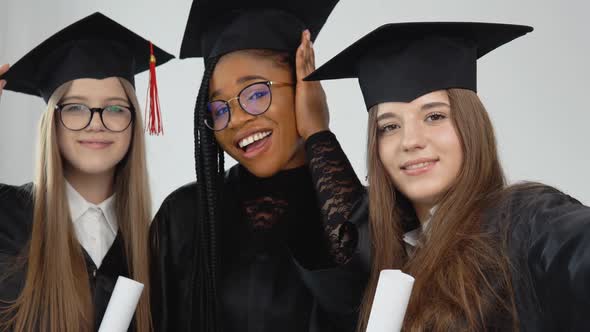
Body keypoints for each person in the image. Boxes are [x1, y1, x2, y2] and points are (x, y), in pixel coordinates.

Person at [306, 22, 590, 331]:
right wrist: (315, 133)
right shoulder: (396, 259)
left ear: (471, 125)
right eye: (389, 126)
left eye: (435, 116)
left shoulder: (524, 221)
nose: (410, 140)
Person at [150, 1, 369, 331]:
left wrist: (318, 133)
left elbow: (359, 290)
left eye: (254, 94)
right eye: (219, 109)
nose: (235, 120)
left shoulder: (362, 214)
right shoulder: (185, 217)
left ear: (302, 86)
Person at [0, 12, 173, 332]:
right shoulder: (5, 217)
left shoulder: (158, 245)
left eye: (116, 109)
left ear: (134, 123)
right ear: (52, 122)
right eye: (76, 107)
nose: (96, 122)